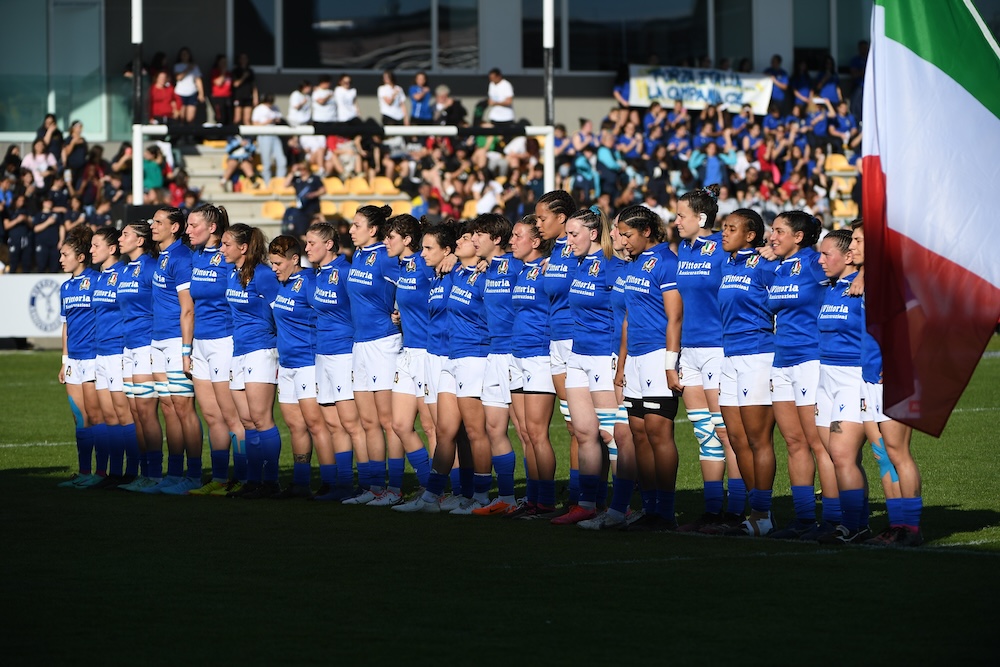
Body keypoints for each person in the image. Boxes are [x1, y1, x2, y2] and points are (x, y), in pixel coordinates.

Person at [393, 221, 484, 513]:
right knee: (446, 431)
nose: (422, 254)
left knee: (467, 432)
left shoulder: (460, 271)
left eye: (429, 248)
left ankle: (472, 494)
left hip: (457, 356)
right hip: (436, 357)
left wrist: (458, 258)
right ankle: (439, 495)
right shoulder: (436, 275)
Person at [671, 186, 744, 533]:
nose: (675, 221)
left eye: (681, 215)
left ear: (701, 218)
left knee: (727, 434)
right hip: (690, 351)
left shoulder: (722, 248)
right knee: (705, 434)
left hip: (718, 349)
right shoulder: (683, 249)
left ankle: (740, 511)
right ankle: (713, 511)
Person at [849, 220, 924, 546]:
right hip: (869, 375)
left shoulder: (893, 281)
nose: (851, 246)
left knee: (898, 452)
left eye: (857, 241)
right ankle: (896, 525)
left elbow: (917, 322)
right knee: (881, 453)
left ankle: (912, 528)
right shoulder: (870, 278)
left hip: (891, 377)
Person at [766, 211, 840, 540]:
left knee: (818, 443)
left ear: (798, 237)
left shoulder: (815, 262)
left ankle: (835, 519)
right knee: (794, 443)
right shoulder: (780, 267)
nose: (772, 236)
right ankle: (805, 518)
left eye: (779, 231)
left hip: (811, 359)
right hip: (782, 362)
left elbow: (844, 274)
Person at [613, 205, 683, 530]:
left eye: (627, 234)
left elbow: (675, 316)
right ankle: (650, 507)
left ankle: (666, 511)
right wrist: (622, 364)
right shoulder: (633, 264)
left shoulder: (667, 263)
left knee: (658, 432)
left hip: (657, 355)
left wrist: (670, 363)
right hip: (637, 359)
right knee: (638, 433)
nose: (623, 240)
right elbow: (628, 317)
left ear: (645, 232)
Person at [553, 207, 618, 526]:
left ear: (593, 234)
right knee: (584, 432)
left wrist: (621, 358)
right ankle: (588, 503)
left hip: (602, 356)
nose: (567, 240)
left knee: (611, 435)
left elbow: (624, 312)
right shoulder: (577, 263)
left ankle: (621, 508)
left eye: (573, 234)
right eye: (566, 233)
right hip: (577, 356)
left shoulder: (610, 264)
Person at [716, 208, 779, 536]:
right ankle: (756, 512)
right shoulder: (727, 262)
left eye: (731, 228)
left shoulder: (766, 264)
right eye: (723, 227)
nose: (724, 233)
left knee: (758, 439)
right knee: (737, 439)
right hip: (729, 358)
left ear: (751, 235)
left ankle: (763, 515)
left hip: (758, 356)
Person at [184, 204, 246, 496]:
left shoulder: (227, 257)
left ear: (212, 228)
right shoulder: (196, 256)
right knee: (212, 416)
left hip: (224, 342)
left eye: (193, 225)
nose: (188, 230)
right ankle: (220, 478)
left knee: (233, 417)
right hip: (201, 344)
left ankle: (245, 479)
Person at [343, 204, 402, 504]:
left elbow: (413, 284)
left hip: (383, 343)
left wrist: (400, 311)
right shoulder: (358, 255)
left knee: (389, 420)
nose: (351, 230)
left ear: (373, 229)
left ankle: (396, 487)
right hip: (360, 344)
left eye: (356, 225)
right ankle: (374, 487)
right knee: (368, 422)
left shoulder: (386, 257)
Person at [304, 222, 366, 500]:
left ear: (329, 244)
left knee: (352, 424)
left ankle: (368, 484)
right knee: (332, 424)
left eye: (311, 243)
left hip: (343, 353)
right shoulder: (317, 275)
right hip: (322, 353)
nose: (307, 249)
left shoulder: (345, 272)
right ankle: (342, 485)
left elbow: (362, 308)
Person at [814, 228, 870, 543]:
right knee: (833, 454)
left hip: (853, 378)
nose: (821, 260)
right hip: (825, 378)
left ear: (849, 256)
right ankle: (846, 521)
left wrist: (866, 272)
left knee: (842, 453)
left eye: (827, 254)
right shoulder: (829, 287)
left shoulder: (865, 287)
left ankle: (853, 524)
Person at [143, 207, 202, 495]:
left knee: (183, 408)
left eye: (158, 222)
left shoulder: (181, 258)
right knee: (167, 408)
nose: (152, 226)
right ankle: (175, 472)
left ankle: (193, 475)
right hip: (157, 339)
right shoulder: (163, 257)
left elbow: (187, 307)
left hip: (175, 340)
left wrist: (186, 348)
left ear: (175, 228)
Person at [268, 235, 332, 499]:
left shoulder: (310, 282)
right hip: (287, 365)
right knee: (295, 425)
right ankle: (301, 482)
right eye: (271, 263)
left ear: (295, 259)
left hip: (308, 363)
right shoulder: (279, 284)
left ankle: (330, 482)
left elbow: (327, 317)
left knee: (317, 425)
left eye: (278, 263)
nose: (274, 268)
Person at [503, 214, 558, 518]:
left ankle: (546, 501)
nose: (512, 240)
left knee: (538, 432)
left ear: (535, 242)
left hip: (539, 354)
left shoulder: (549, 269)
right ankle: (534, 498)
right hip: (517, 354)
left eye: (518, 235)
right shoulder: (520, 269)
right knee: (524, 432)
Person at [222, 223, 282, 498]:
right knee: (246, 420)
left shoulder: (264, 275)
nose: (222, 250)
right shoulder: (233, 274)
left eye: (226, 245)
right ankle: (253, 480)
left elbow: (279, 312)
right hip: (239, 351)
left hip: (261, 350)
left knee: (261, 419)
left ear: (243, 248)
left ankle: (270, 482)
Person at [469, 213, 523, 515]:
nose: (474, 239)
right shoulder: (485, 270)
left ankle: (538, 497)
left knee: (528, 432)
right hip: (493, 354)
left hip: (517, 355)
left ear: (497, 239)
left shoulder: (517, 267)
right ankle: (506, 497)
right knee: (493, 428)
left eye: (480, 234)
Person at [383, 214, 435, 504]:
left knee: (431, 427)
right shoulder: (403, 268)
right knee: (400, 425)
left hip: (428, 352)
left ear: (406, 240)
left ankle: (442, 491)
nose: (386, 241)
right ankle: (429, 486)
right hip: (407, 350)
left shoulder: (426, 266)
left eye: (390, 237)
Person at [534, 189, 580, 510]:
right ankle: (581, 494)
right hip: (556, 342)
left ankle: (585, 497)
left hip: (580, 342)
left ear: (561, 218)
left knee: (585, 426)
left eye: (542, 218)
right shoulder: (556, 251)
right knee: (571, 425)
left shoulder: (581, 249)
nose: (538, 224)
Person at [116, 220, 164, 492]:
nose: (121, 238)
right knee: (136, 412)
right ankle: (145, 473)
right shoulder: (123, 271)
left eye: (126, 234)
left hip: (146, 345)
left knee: (147, 412)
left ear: (140, 241)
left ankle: (155, 474)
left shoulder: (151, 268)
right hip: (128, 347)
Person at [88, 228, 137, 489]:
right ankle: (114, 473)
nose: (91, 251)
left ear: (112, 249)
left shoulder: (124, 275)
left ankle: (132, 471)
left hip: (118, 350)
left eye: (96, 246)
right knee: (108, 416)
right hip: (101, 352)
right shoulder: (98, 278)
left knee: (124, 414)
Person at [56, 226, 104, 488]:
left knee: (96, 417)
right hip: (74, 360)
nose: (60, 259)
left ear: (81, 257)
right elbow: (66, 326)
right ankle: (85, 472)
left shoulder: (97, 281)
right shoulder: (65, 287)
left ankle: (101, 473)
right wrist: (64, 361)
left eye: (65, 254)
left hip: (94, 358)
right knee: (79, 417)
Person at [251, 94, 288, 183]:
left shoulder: (275, 107)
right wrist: (267, 122)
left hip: (275, 135)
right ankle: (267, 183)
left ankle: (279, 182)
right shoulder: (259, 109)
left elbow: (279, 118)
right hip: (264, 136)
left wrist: (276, 120)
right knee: (267, 161)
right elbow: (255, 124)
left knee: (282, 160)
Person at [173, 47, 204, 124]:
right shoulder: (177, 66)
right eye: (183, 54)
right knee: (181, 117)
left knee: (190, 118)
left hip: (192, 93)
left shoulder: (194, 67)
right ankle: (181, 135)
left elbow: (198, 80)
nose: (185, 56)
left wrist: (201, 93)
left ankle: (189, 135)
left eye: (186, 54)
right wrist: (188, 69)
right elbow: (178, 77)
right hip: (180, 93)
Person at [32, 198, 62, 273]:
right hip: (42, 245)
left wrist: (61, 240)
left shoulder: (56, 215)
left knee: (54, 267)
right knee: (41, 266)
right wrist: (47, 222)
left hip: (54, 245)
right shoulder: (38, 215)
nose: (49, 203)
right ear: (43, 203)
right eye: (47, 201)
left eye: (50, 201)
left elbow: (62, 227)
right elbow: (36, 229)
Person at [230, 53, 258, 126]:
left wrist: (255, 98)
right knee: (237, 119)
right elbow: (235, 84)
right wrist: (243, 77)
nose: (244, 60)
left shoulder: (250, 71)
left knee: (247, 119)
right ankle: (234, 135)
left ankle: (248, 137)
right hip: (238, 97)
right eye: (242, 58)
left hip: (248, 97)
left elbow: (254, 86)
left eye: (245, 58)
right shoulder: (235, 71)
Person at [209, 54, 233, 125]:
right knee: (220, 117)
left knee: (228, 117)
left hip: (227, 97)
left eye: (225, 62)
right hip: (218, 98)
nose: (224, 64)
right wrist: (223, 72)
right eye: (222, 62)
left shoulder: (228, 73)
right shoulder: (215, 72)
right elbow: (218, 83)